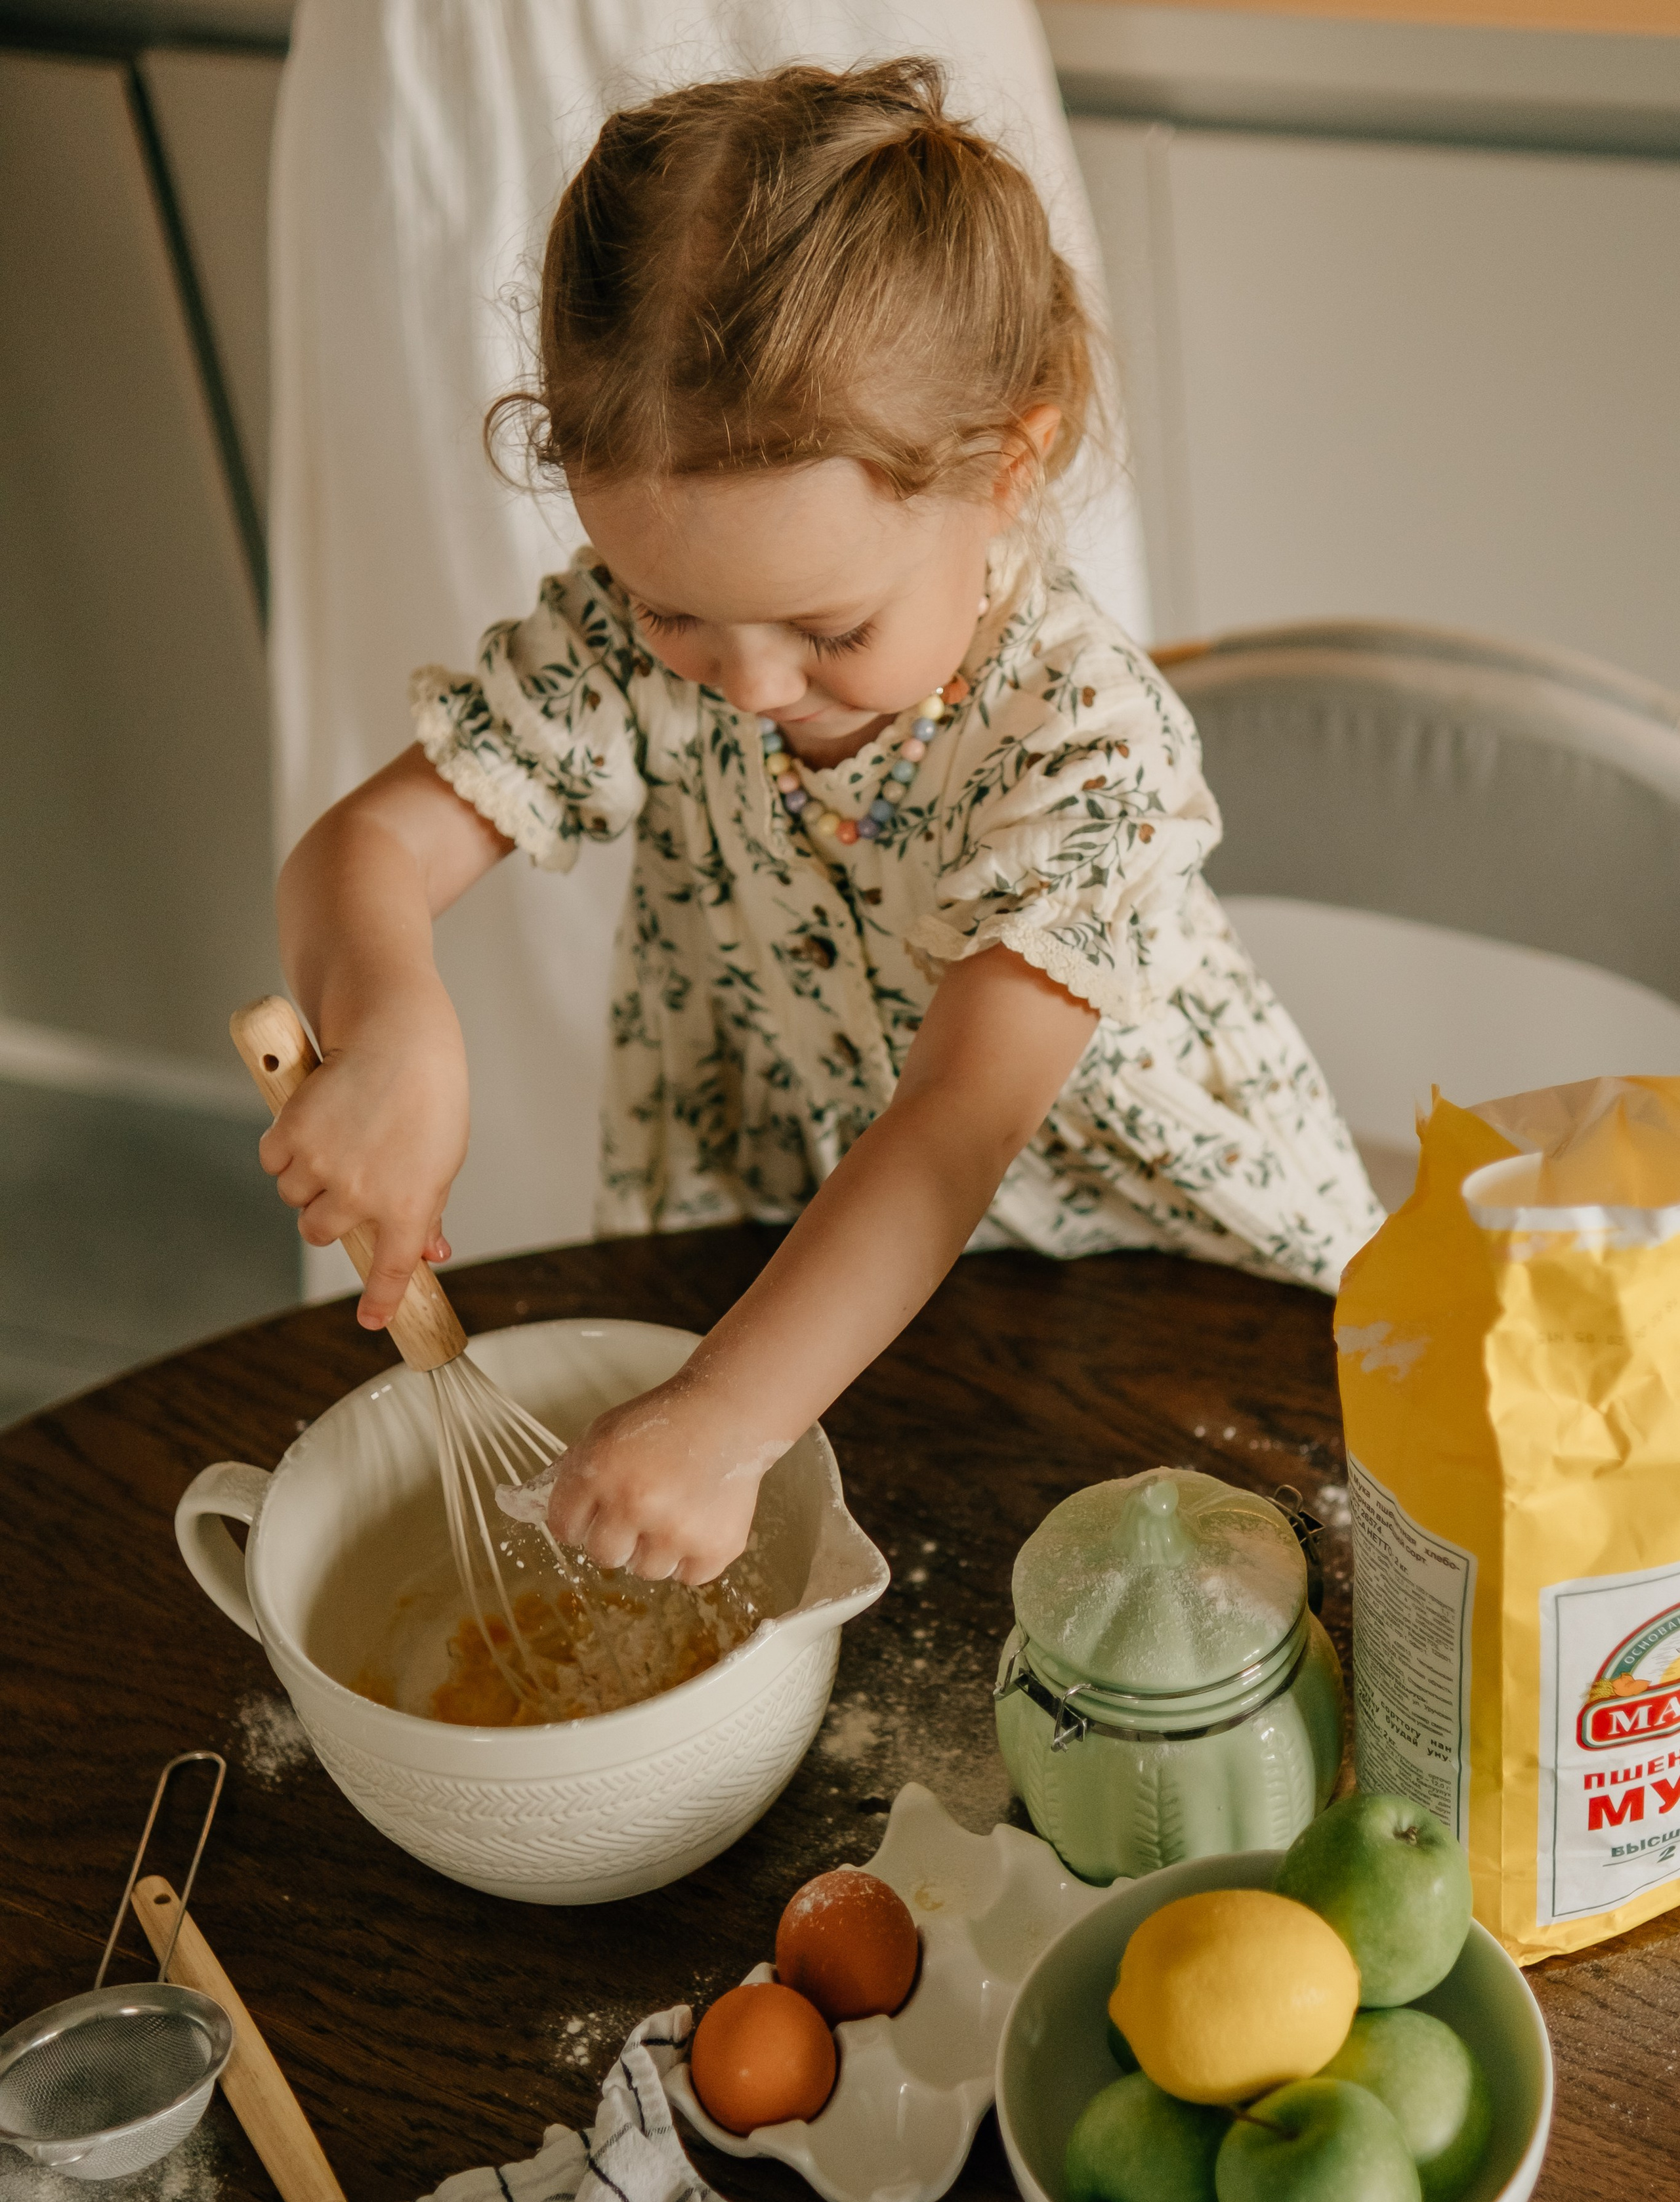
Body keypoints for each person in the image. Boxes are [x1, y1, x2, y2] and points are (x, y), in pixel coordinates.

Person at [264, 59, 1382, 1590]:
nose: (748, 682)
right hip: (819, 1277)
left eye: (828, 628)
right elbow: (365, 851)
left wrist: (726, 1422)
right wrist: (392, 1020)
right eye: (671, 611)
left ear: (1006, 467)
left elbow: (946, 1138)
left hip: (1141, 1289)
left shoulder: (1080, 748)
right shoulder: (637, 639)